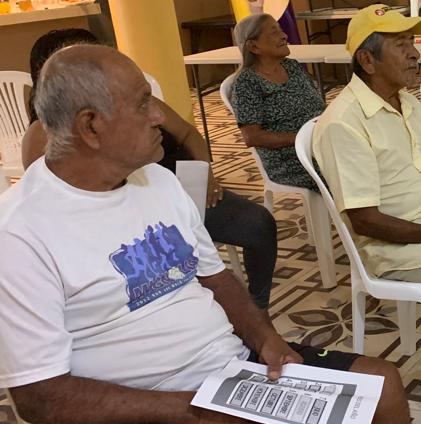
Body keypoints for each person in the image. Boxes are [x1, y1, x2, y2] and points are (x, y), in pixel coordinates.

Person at [0, 44, 420, 424]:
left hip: (225, 374)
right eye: (143, 103)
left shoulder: (156, 182)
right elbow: (41, 398)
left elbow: (217, 277)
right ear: (91, 126)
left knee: (383, 387)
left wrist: (266, 340)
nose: (160, 116)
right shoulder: (21, 233)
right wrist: (193, 409)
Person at [22, 29, 277, 310]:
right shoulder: (42, 139)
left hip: (181, 186)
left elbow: (188, 134)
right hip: (133, 218)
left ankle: (258, 304)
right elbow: (56, 204)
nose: (153, 116)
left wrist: (205, 174)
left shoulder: (145, 111)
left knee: (258, 224)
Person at [313, 5, 421, 282]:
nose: (415, 54)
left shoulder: (407, 101)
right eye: (401, 45)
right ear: (367, 60)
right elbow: (365, 221)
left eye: (411, 42)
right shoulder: (344, 123)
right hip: (400, 249)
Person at [230, 13, 324, 192]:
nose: (284, 36)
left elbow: (318, 106)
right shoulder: (247, 82)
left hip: (319, 145)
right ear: (253, 46)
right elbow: (252, 137)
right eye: (274, 32)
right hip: (292, 160)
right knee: (351, 168)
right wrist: (303, 139)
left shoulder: (292, 66)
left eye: (280, 30)